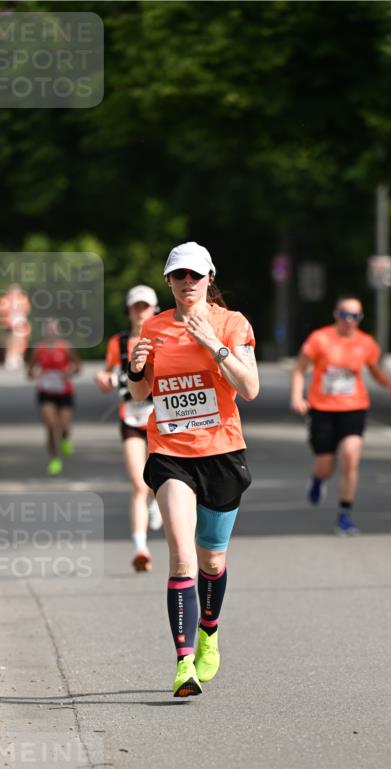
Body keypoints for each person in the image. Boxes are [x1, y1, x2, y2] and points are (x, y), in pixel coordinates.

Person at [128, 242, 259, 697]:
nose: (187, 283)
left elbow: (251, 387)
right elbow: (142, 394)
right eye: (179, 276)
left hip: (222, 452)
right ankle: (184, 663)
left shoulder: (232, 323)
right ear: (168, 281)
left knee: (212, 560)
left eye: (195, 276)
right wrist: (135, 369)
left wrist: (213, 344)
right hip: (170, 453)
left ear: (209, 279)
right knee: (182, 555)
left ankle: (209, 631)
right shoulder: (154, 327)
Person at [290, 295, 391, 535]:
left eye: (355, 316)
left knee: (351, 457)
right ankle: (318, 479)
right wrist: (297, 397)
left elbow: (375, 370)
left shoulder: (366, 343)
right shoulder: (319, 339)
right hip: (322, 409)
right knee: (325, 465)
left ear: (360, 318)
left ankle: (344, 514)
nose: (349, 320)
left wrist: (390, 385)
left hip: (354, 408)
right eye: (345, 315)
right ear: (336, 314)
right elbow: (299, 369)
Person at [95, 285, 163, 573]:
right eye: (136, 306)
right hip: (131, 419)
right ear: (129, 310)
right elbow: (107, 372)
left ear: (154, 309)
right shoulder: (118, 342)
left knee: (158, 480)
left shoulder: (163, 338)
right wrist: (103, 378)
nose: (140, 312)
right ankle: (140, 547)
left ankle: (156, 501)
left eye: (145, 306)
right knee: (138, 483)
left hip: (162, 419)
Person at [27, 318, 81, 475]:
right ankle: (55, 458)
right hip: (45, 392)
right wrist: (36, 373)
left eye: (53, 328)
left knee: (64, 425)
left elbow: (77, 367)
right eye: (48, 328)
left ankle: (65, 438)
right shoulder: (38, 349)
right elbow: (30, 371)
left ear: (58, 331)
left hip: (64, 392)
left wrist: (68, 373)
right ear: (44, 331)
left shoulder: (66, 347)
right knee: (50, 425)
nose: (51, 331)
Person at [0, 283, 31, 370]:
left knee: (21, 341)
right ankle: (10, 359)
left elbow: (26, 310)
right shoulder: (6, 299)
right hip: (9, 324)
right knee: (10, 341)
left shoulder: (22, 298)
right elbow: (1, 310)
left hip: (20, 324)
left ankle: (19, 358)